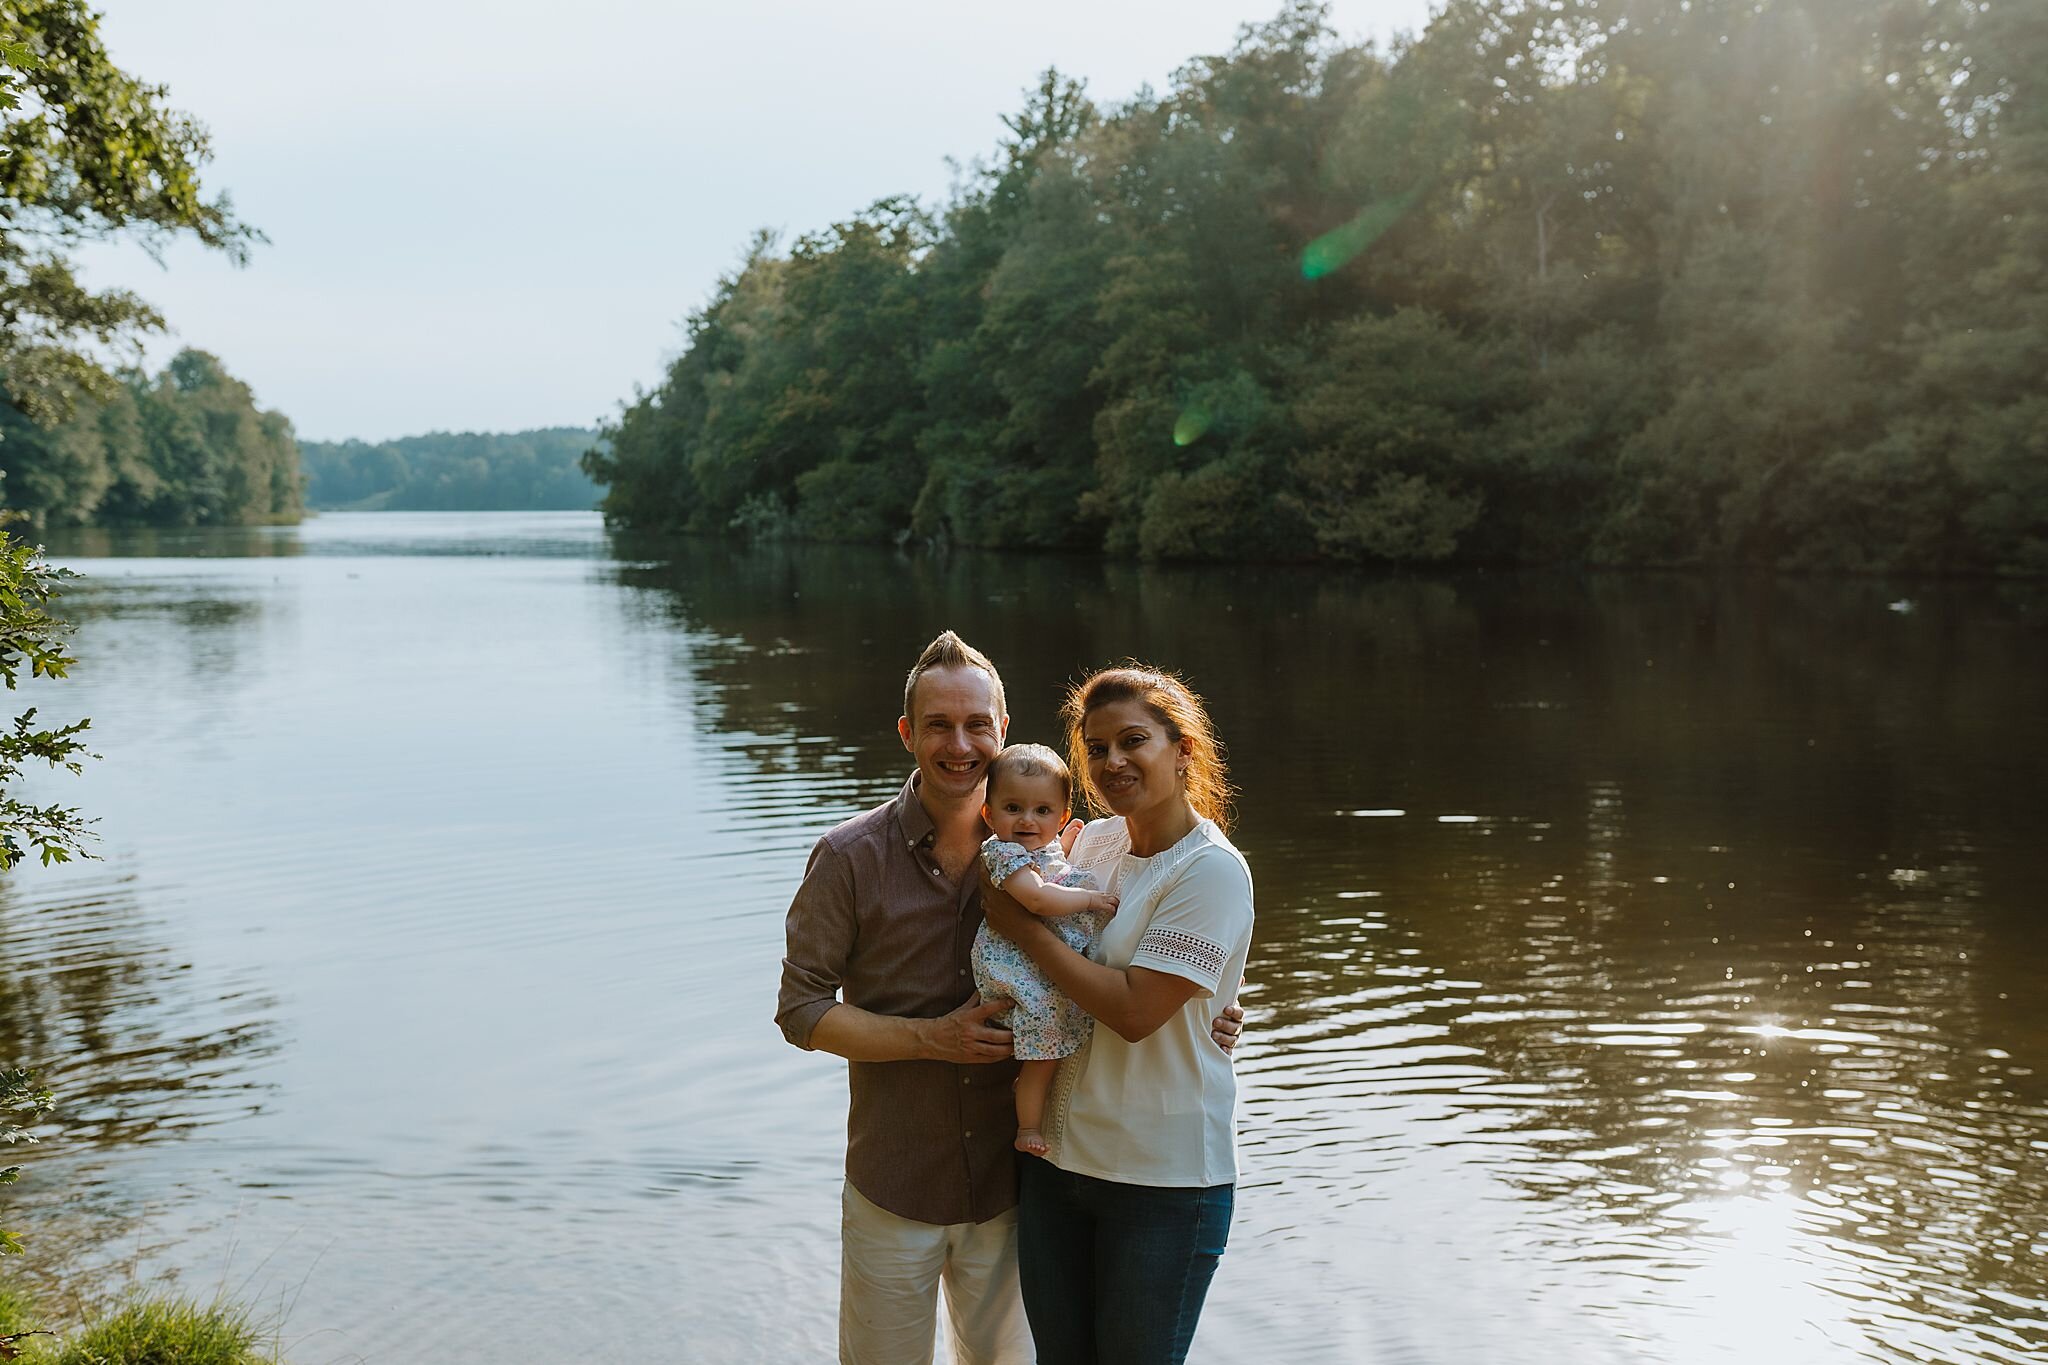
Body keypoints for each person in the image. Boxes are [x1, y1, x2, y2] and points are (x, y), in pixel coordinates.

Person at [775, 632, 1243, 1365]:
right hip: (900, 1180)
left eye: (976, 725)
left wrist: (1210, 1008)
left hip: (1016, 1187)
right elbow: (800, 1011)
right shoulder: (850, 858)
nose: (958, 744)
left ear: (1003, 731)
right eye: (938, 724)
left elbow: (1160, 952)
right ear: (907, 733)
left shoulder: (1068, 851)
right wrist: (931, 1038)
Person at [980, 664, 1254, 1365]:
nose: (1113, 761)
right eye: (1096, 748)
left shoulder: (1211, 871)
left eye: (1134, 740)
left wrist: (1026, 931)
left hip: (1160, 1184)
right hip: (1059, 1162)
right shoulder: (1093, 843)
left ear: (1183, 747)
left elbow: (1135, 1011)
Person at [969, 743, 1118, 1158]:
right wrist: (1090, 901)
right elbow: (1037, 899)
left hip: (1036, 961)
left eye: (1042, 811)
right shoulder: (1001, 852)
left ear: (1061, 815)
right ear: (989, 814)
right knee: (1045, 1053)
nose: (1026, 821)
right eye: (1013, 808)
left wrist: (1063, 845)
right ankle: (1028, 1125)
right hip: (1014, 967)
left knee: (1056, 1036)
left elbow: (1053, 869)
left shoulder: (1041, 846)